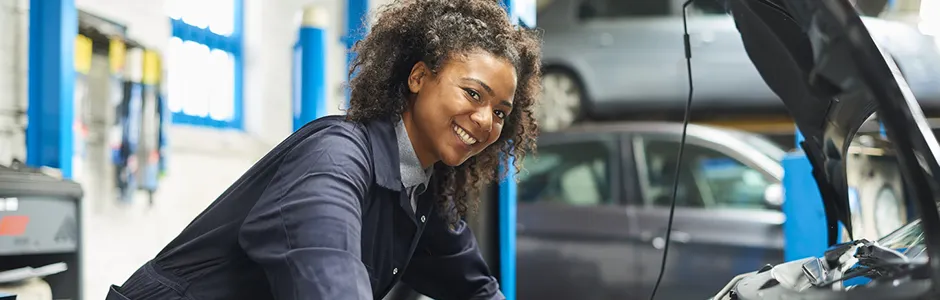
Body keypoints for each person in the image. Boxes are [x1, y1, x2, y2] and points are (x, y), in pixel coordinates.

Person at [105, 0, 542, 299]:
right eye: (472, 93)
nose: (486, 121)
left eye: (501, 112)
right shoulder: (335, 158)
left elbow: (473, 285)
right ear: (418, 77)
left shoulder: (421, 188)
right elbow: (325, 266)